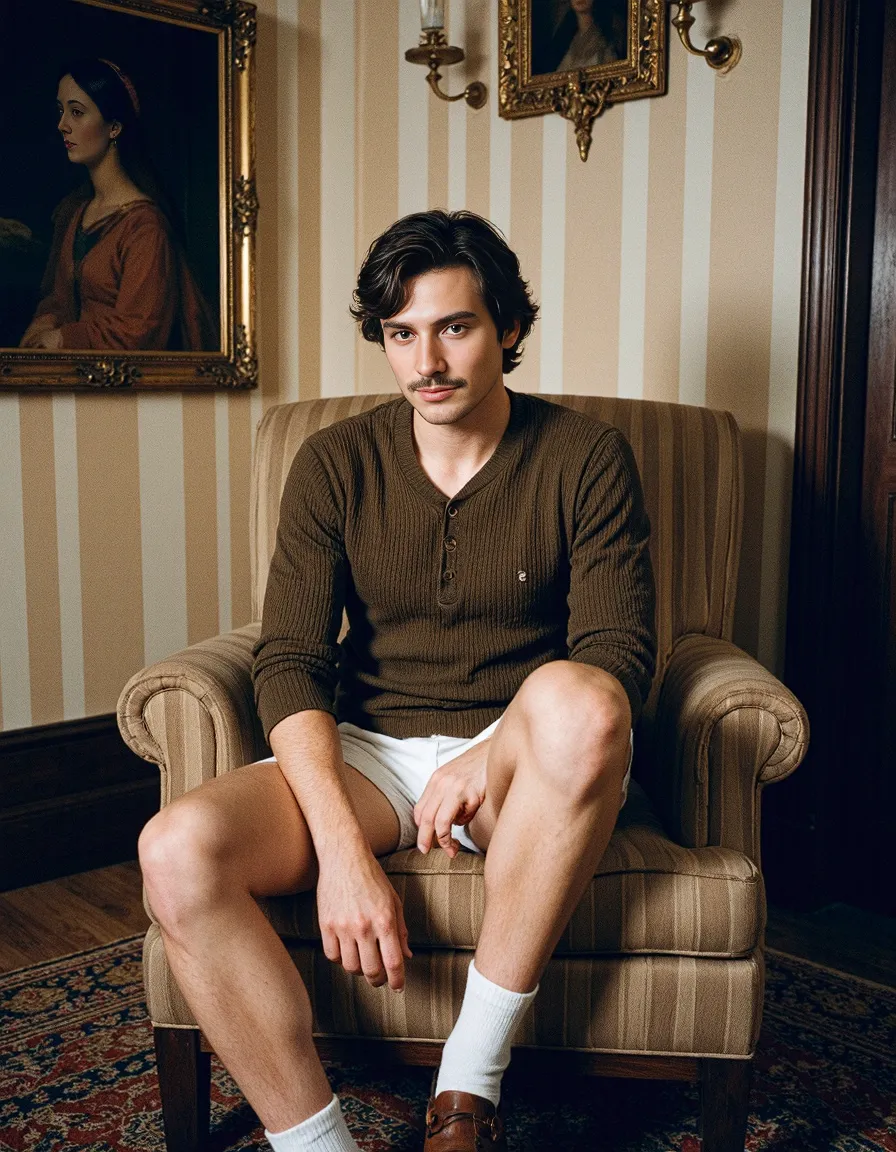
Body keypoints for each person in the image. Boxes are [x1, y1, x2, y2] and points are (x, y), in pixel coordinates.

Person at [138, 209, 656, 1152]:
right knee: (175, 849)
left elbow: (617, 652)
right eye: (401, 333)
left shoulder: (587, 458)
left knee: (581, 701)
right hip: (371, 750)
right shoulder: (335, 462)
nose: (429, 361)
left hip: (522, 762)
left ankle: (467, 1090)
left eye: (455, 327)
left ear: (507, 326)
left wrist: (487, 755)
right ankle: (315, 1142)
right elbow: (292, 658)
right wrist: (341, 852)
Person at [19, 58, 215, 352]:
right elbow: (59, 299)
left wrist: (62, 338)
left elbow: (140, 329)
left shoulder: (145, 227)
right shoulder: (76, 213)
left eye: (76, 112)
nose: (62, 125)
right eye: (61, 111)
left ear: (114, 127)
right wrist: (43, 324)